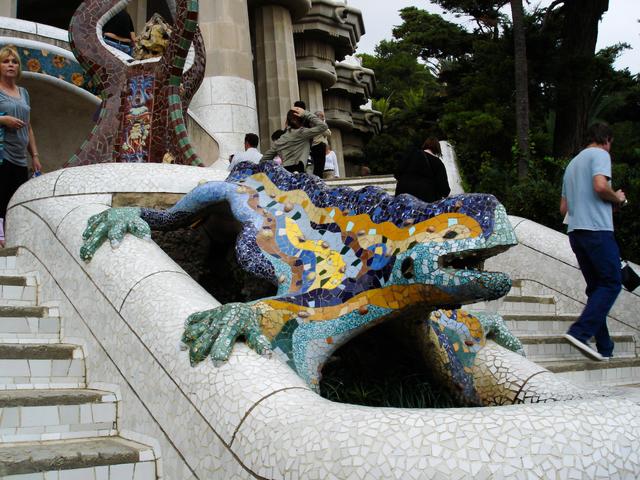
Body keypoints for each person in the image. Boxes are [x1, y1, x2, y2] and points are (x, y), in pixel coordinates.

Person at [560, 123, 626, 361]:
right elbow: (600, 186)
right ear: (606, 139)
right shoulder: (600, 154)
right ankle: (580, 332)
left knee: (596, 288)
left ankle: (605, 348)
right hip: (597, 230)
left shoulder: (572, 164)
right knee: (611, 283)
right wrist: (616, 197)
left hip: (576, 232)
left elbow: (564, 208)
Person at [0, 46, 42, 248]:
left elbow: (29, 125)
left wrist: (34, 154)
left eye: (14, 62)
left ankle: (13, 236)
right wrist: (3, 119)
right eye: (6, 61)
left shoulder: (23, 92)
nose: (10, 65)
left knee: (15, 198)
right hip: (2, 152)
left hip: (20, 155)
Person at [261, 107, 328, 173]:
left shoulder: (281, 139)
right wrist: (306, 113)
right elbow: (323, 126)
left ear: (287, 121)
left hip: (285, 173)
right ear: (302, 120)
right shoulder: (302, 133)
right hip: (298, 172)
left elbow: (263, 160)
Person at [394, 137, 450, 203]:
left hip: (402, 194)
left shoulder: (411, 154)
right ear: (437, 149)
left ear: (425, 145)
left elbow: (397, 174)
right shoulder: (438, 163)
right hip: (423, 200)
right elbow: (444, 189)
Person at [310, 111, 330, 177]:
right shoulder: (319, 125)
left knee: (318, 165)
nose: (323, 118)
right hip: (319, 145)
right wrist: (323, 123)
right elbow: (328, 133)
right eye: (322, 116)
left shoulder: (313, 124)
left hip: (316, 146)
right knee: (320, 166)